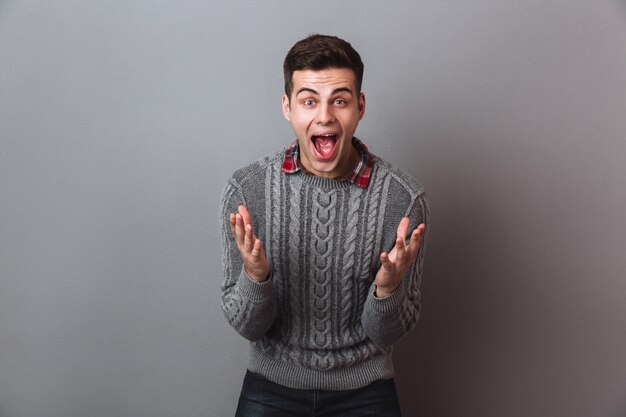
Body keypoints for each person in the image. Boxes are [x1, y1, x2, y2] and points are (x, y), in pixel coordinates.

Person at [220, 34, 429, 417]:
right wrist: (255, 276)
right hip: (272, 387)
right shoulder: (247, 192)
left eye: (340, 100)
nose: (325, 116)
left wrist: (387, 289)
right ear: (288, 107)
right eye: (309, 101)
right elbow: (247, 326)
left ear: (360, 106)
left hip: (366, 391)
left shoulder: (403, 200)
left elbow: (388, 333)